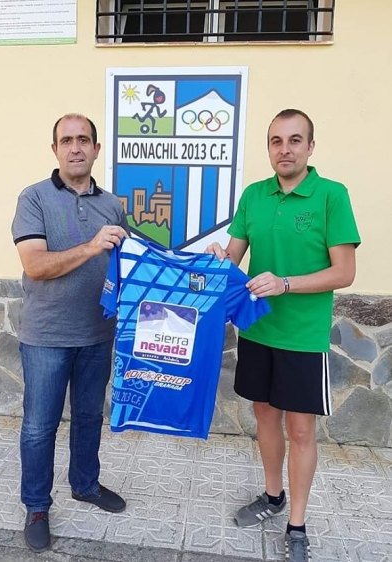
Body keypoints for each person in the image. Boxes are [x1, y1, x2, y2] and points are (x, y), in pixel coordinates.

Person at [205, 109, 360, 562]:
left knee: (302, 430)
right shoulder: (254, 196)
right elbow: (232, 259)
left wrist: (285, 283)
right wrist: (219, 258)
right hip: (259, 329)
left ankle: (297, 523)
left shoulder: (331, 195)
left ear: (310, 147)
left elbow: (344, 272)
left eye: (295, 140)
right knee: (266, 418)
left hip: (303, 337)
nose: (284, 149)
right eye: (276, 141)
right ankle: (272, 498)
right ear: (268, 147)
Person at [11, 113, 129, 553]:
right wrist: (91, 246)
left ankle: (85, 484)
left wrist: (200, 268)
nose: (75, 147)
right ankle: (37, 505)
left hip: (98, 335)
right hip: (45, 337)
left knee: (87, 418)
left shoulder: (113, 205)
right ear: (55, 149)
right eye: (67, 140)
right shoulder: (34, 199)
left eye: (84, 140)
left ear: (97, 149)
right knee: (40, 428)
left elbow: (132, 265)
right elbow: (36, 266)